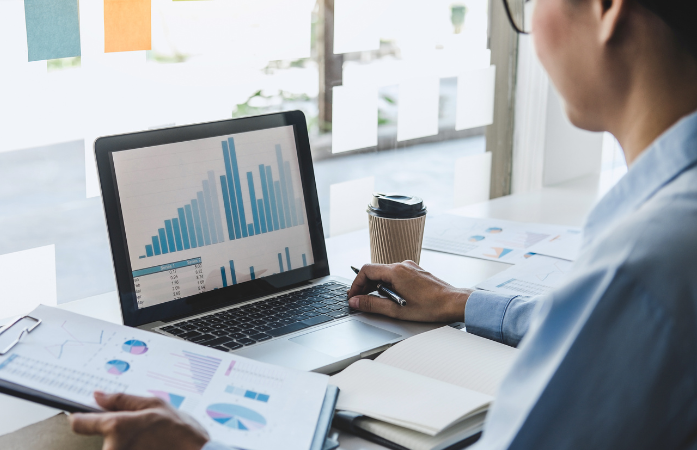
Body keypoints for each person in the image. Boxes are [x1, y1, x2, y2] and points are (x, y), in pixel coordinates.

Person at [70, 0, 697, 448]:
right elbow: (603, 324)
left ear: (609, 10)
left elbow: (620, 310)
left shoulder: (643, 265)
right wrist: (461, 303)